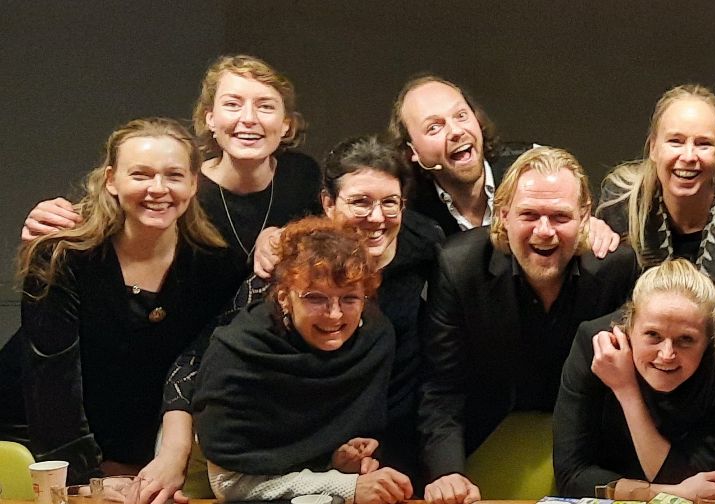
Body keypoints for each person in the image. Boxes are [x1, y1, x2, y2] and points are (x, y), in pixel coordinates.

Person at [157, 136, 440, 488]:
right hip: (262, 460)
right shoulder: (284, 270)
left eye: (390, 203)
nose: (377, 217)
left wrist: (341, 465)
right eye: (360, 202)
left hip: (374, 442)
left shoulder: (427, 246)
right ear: (328, 204)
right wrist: (173, 451)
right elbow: (198, 360)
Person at [0, 118, 243, 486]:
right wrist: (89, 478)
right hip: (35, 442)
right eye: (141, 174)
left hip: (138, 450)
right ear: (112, 180)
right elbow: (52, 384)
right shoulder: (62, 255)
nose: (158, 189)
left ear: (194, 183)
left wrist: (159, 462)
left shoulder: (219, 265)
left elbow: (196, 371)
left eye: (174, 176)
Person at [419, 146, 639, 504]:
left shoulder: (617, 268)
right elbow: (442, 387)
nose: (544, 231)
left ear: (585, 217)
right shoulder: (459, 267)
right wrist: (447, 473)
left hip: (588, 451)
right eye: (529, 214)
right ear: (503, 215)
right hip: (487, 434)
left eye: (560, 216)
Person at [21, 54, 324, 279]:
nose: (248, 119)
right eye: (232, 104)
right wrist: (47, 219)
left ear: (286, 125)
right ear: (210, 119)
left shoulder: (303, 175)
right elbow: (101, 219)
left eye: (265, 106)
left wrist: (282, 235)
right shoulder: (177, 187)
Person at [193, 217, 414, 504]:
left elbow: (312, 453)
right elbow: (229, 485)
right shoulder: (238, 354)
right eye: (315, 298)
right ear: (284, 297)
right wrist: (345, 485)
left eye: (350, 299)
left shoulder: (374, 339)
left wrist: (338, 462)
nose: (334, 314)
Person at [554, 259, 715, 501]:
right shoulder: (595, 348)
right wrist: (666, 493)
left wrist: (627, 392)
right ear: (629, 327)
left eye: (686, 339)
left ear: (708, 340)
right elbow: (572, 477)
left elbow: (701, 483)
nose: (667, 354)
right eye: (653, 335)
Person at [596, 84, 715, 317]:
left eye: (703, 144)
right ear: (654, 147)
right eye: (675, 141)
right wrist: (586, 235)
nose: (688, 156)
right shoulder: (620, 207)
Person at [388, 74, 619, 256]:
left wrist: (591, 229)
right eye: (434, 127)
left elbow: (578, 224)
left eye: (461, 116)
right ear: (412, 151)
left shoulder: (533, 166)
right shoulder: (407, 217)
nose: (456, 131)